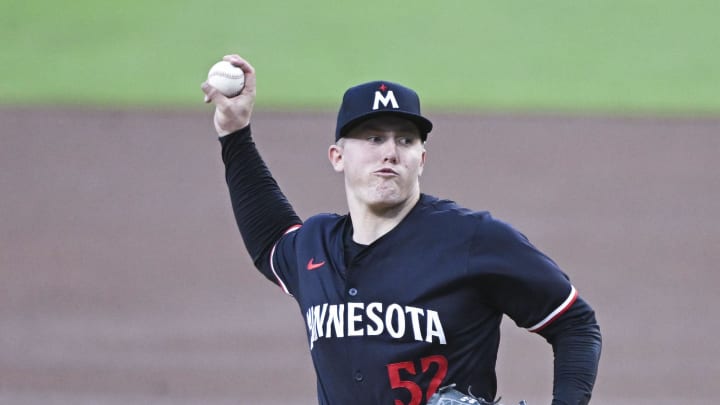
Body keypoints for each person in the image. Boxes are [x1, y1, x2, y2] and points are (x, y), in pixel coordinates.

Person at [201, 54, 602, 405]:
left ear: (421, 158)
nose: (390, 151)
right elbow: (270, 238)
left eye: (405, 140)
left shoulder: (472, 239)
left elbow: (574, 322)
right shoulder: (316, 246)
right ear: (338, 156)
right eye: (373, 138)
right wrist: (234, 133)